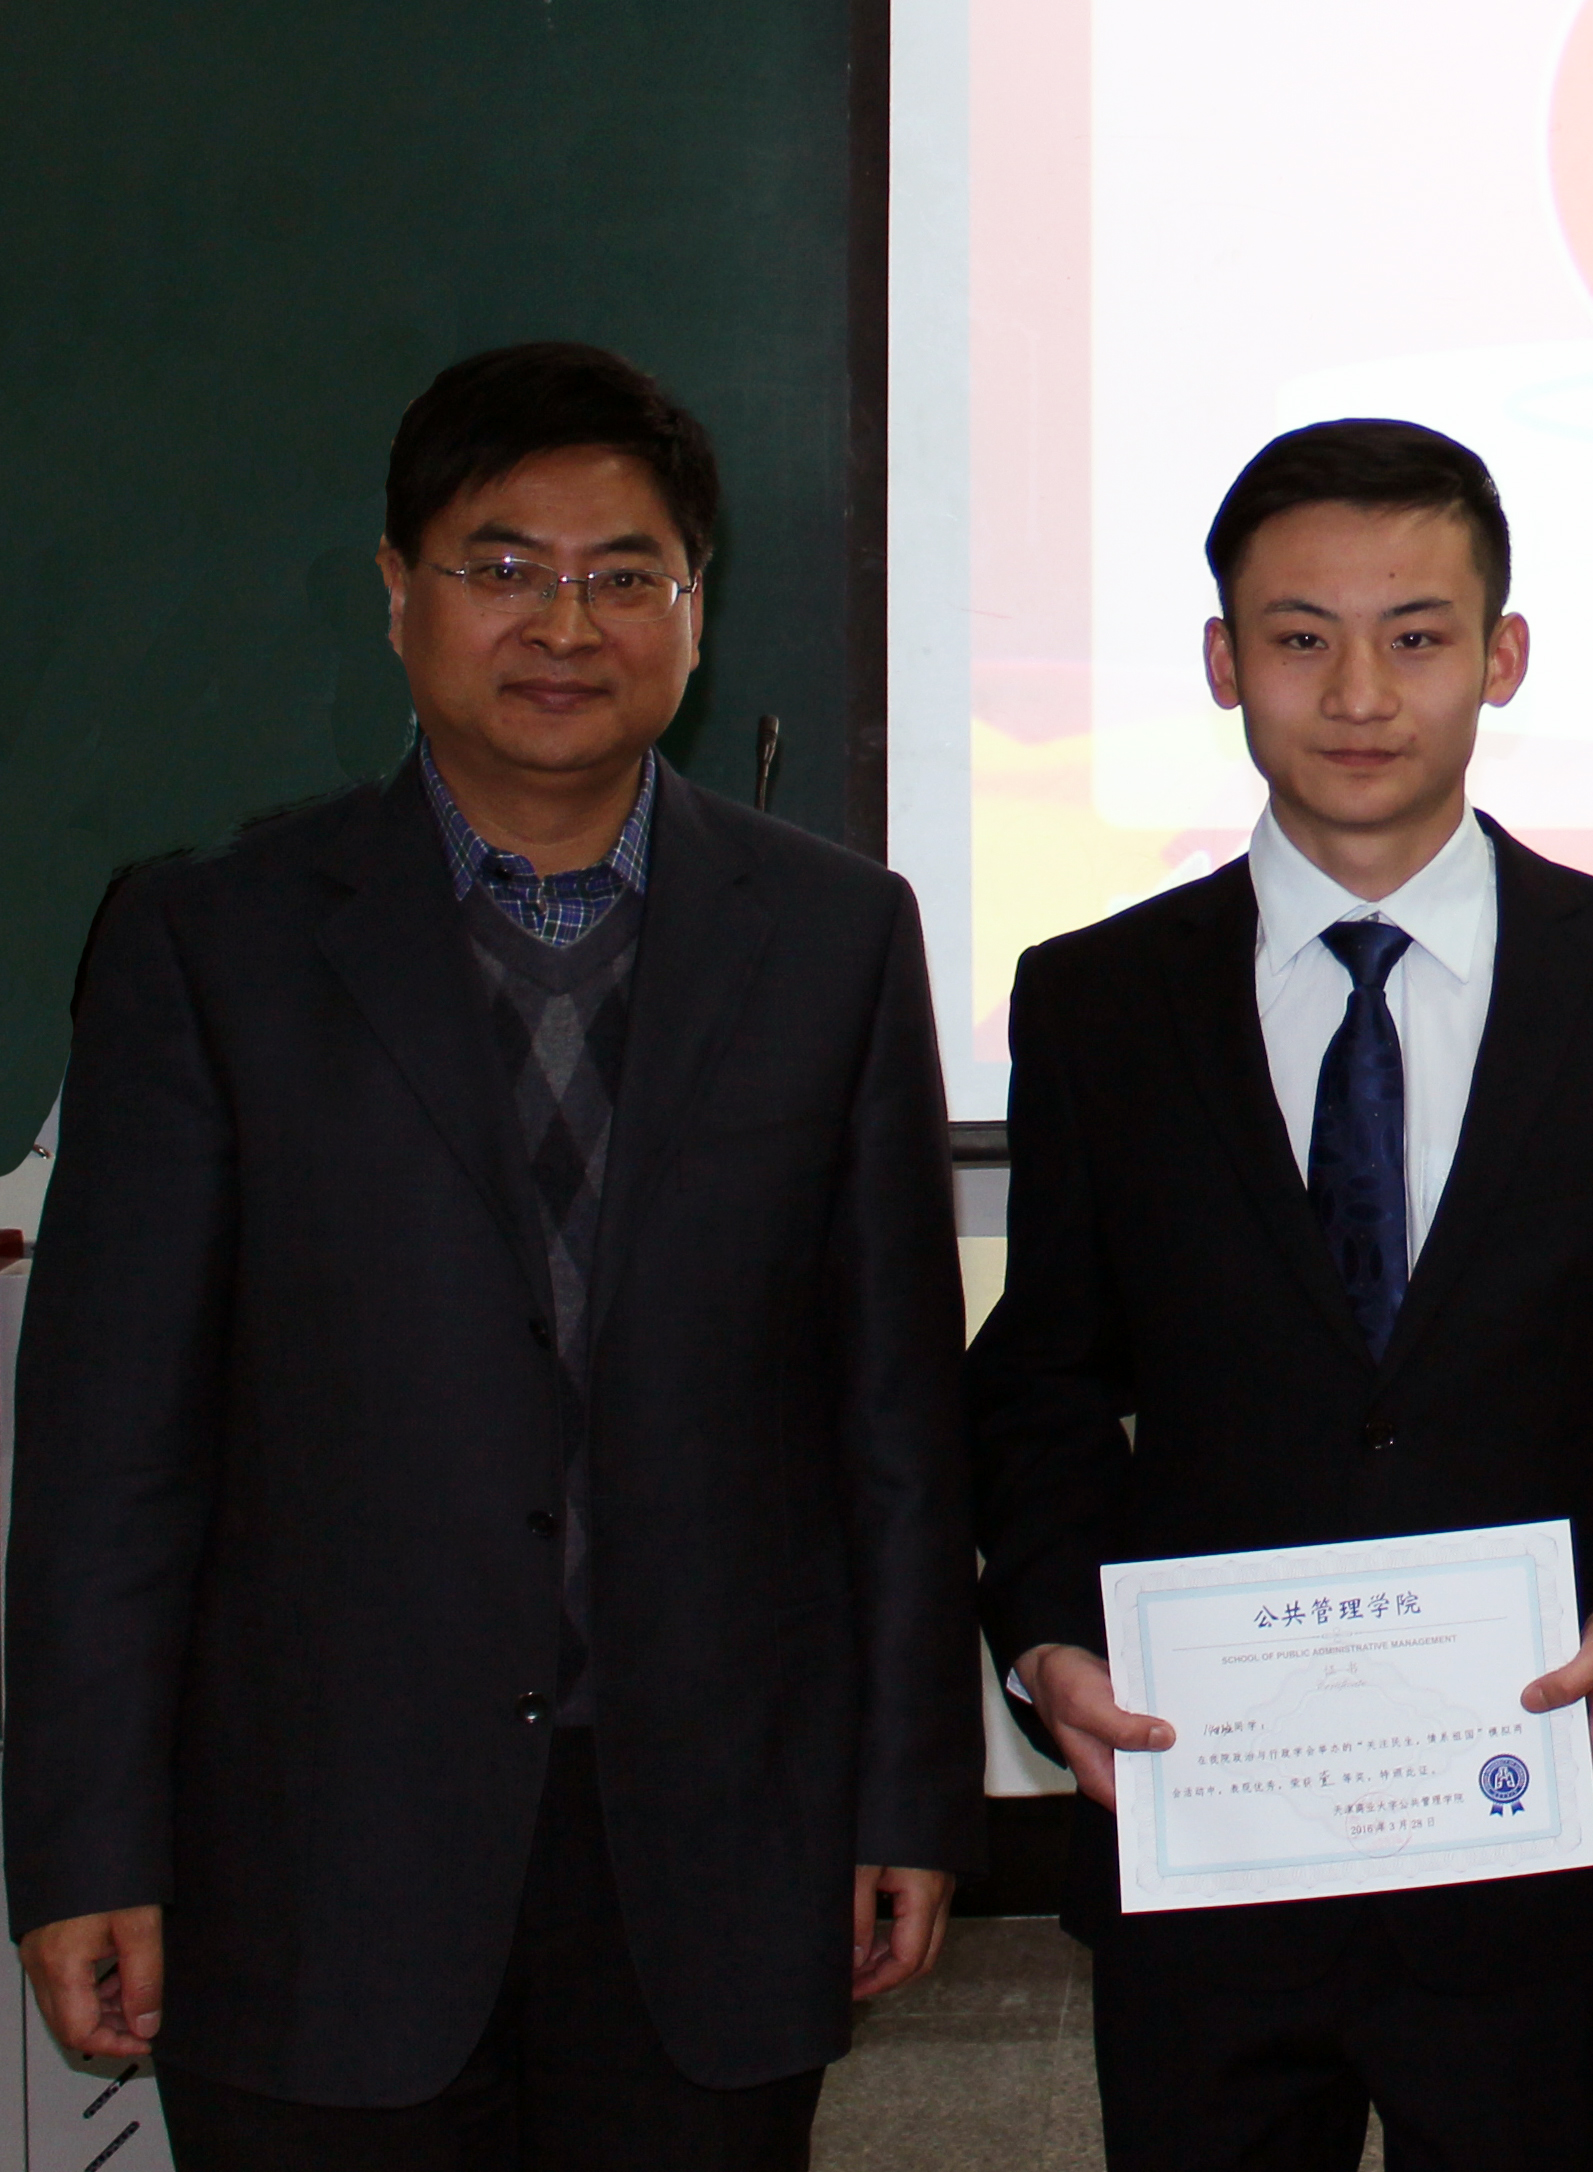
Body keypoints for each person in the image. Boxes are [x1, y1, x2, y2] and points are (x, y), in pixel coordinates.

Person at [6, 341, 985, 2170]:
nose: (565, 624)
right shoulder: (209, 944)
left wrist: (909, 1794)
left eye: (626, 575)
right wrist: (83, 1843)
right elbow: (106, 1456)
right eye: (504, 567)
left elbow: (895, 1424)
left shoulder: (837, 938)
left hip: (710, 1846)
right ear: (399, 591)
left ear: (695, 613)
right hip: (310, 1862)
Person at [967, 418, 1593, 2170]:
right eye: (1299, 636)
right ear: (1221, 661)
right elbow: (1044, 1379)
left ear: (1502, 655)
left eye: (1416, 636)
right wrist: (1043, 1638)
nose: (1357, 693)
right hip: (1208, 1817)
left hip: (1523, 1811)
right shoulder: (1097, 1001)